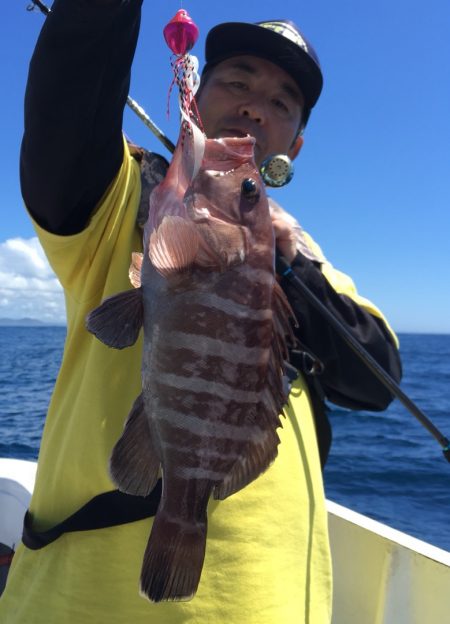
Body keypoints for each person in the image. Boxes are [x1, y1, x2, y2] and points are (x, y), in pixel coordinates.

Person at [0, 1, 401, 622]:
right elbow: (68, 108)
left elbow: (379, 378)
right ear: (192, 96)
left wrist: (293, 266)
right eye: (236, 81)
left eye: (281, 101)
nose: (253, 105)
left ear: (294, 143)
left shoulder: (316, 267)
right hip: (84, 604)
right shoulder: (119, 200)